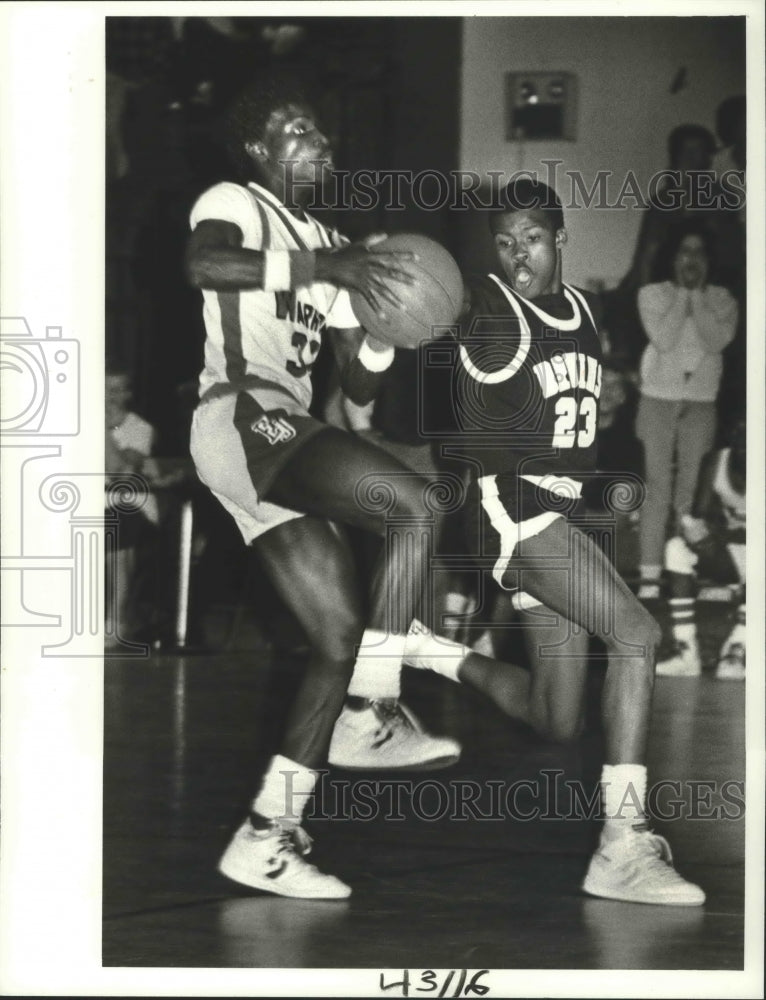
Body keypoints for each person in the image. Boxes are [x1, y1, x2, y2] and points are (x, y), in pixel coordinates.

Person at [185, 74, 459, 900]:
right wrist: (331, 262)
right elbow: (206, 262)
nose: (320, 144)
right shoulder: (233, 198)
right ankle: (375, 712)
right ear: (261, 148)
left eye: (324, 134)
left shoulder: (339, 245)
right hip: (241, 412)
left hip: (278, 443)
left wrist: (391, 321)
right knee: (414, 502)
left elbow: (360, 389)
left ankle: (268, 833)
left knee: (337, 638)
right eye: (299, 129)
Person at [401, 178, 705, 906]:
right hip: (515, 516)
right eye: (503, 243)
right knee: (637, 635)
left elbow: (572, 429)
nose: (516, 256)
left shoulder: (584, 312)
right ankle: (622, 844)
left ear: (560, 238)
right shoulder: (490, 311)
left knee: (555, 716)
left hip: (558, 516)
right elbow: (462, 306)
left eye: (530, 239)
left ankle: (424, 647)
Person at [635, 221, 738, 599]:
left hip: (701, 403)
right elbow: (663, 338)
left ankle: (683, 575)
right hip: (657, 400)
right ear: (672, 257)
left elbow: (716, 341)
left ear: (709, 260)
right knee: (656, 487)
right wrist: (683, 294)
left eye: (699, 252)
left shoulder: (724, 299)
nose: (691, 259)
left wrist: (697, 297)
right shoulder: (652, 293)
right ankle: (649, 579)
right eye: (684, 251)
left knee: (691, 493)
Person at [656, 421, 746, 679]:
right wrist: (704, 532)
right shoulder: (716, 461)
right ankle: (687, 651)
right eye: (741, 434)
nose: (745, 443)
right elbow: (701, 513)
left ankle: (738, 648)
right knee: (676, 548)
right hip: (726, 551)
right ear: (732, 435)